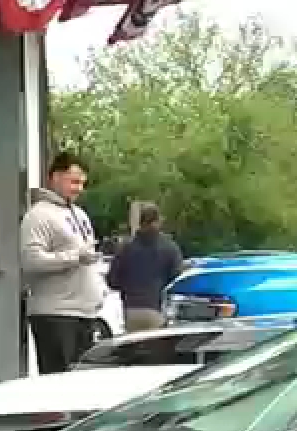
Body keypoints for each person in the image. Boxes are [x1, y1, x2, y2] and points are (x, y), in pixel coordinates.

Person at [22, 152, 108, 373]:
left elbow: (87, 256)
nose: (79, 189)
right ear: (55, 178)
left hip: (85, 313)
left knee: (81, 380)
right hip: (56, 314)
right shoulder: (38, 216)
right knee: (59, 381)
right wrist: (75, 257)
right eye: (74, 182)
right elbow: (31, 261)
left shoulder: (80, 214)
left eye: (82, 183)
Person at [108, 203, 184, 332]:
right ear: (158, 221)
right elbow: (177, 279)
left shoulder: (126, 247)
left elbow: (112, 281)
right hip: (157, 308)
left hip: (131, 309)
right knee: (156, 343)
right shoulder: (170, 247)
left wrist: (128, 288)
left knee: (135, 343)